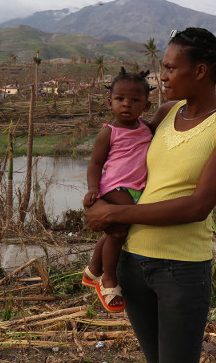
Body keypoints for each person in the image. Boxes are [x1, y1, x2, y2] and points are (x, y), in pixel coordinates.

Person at [85, 27, 216, 363]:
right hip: (131, 262)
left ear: (201, 71)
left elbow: (197, 207)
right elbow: (124, 156)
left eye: (171, 68)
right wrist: (99, 195)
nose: (162, 77)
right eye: (163, 68)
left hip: (180, 269)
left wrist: (114, 215)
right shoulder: (165, 114)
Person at [82, 68, 153, 313]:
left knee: (112, 232)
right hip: (115, 187)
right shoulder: (108, 132)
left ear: (146, 105)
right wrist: (93, 188)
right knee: (118, 232)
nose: (127, 105)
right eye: (120, 99)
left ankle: (93, 271)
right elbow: (95, 164)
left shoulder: (147, 129)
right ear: (109, 102)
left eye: (135, 100)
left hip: (137, 190)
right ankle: (108, 278)